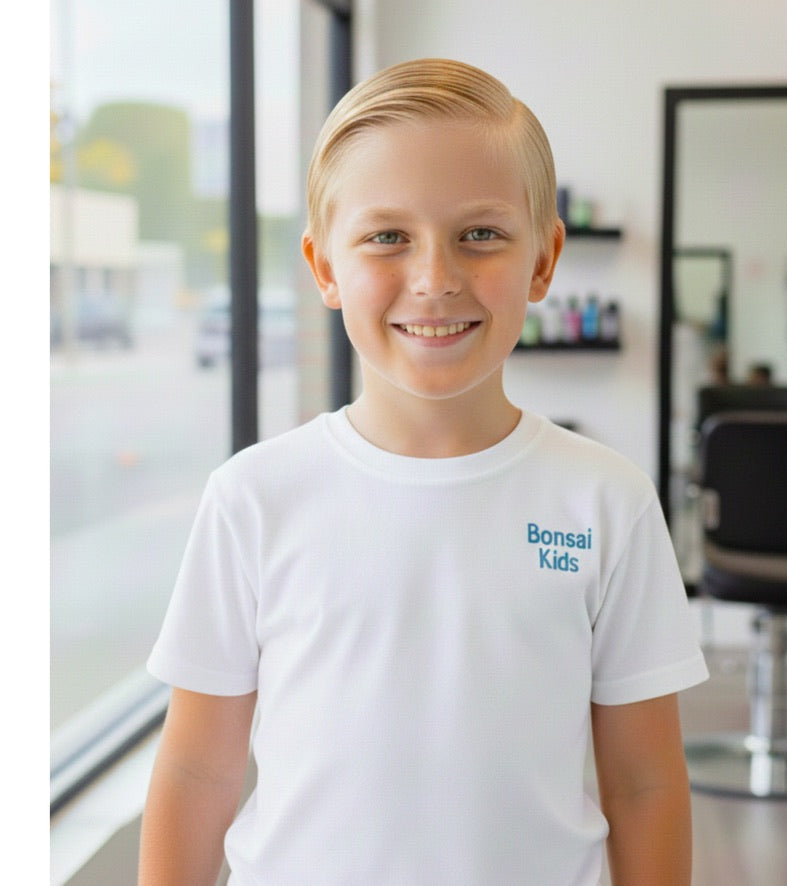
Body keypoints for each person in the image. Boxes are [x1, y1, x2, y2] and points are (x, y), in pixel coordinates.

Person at [139, 58, 708, 886]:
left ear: (545, 260)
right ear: (325, 267)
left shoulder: (605, 500)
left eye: (480, 234)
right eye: (386, 237)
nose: (435, 279)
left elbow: (646, 782)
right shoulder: (255, 498)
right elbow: (198, 773)